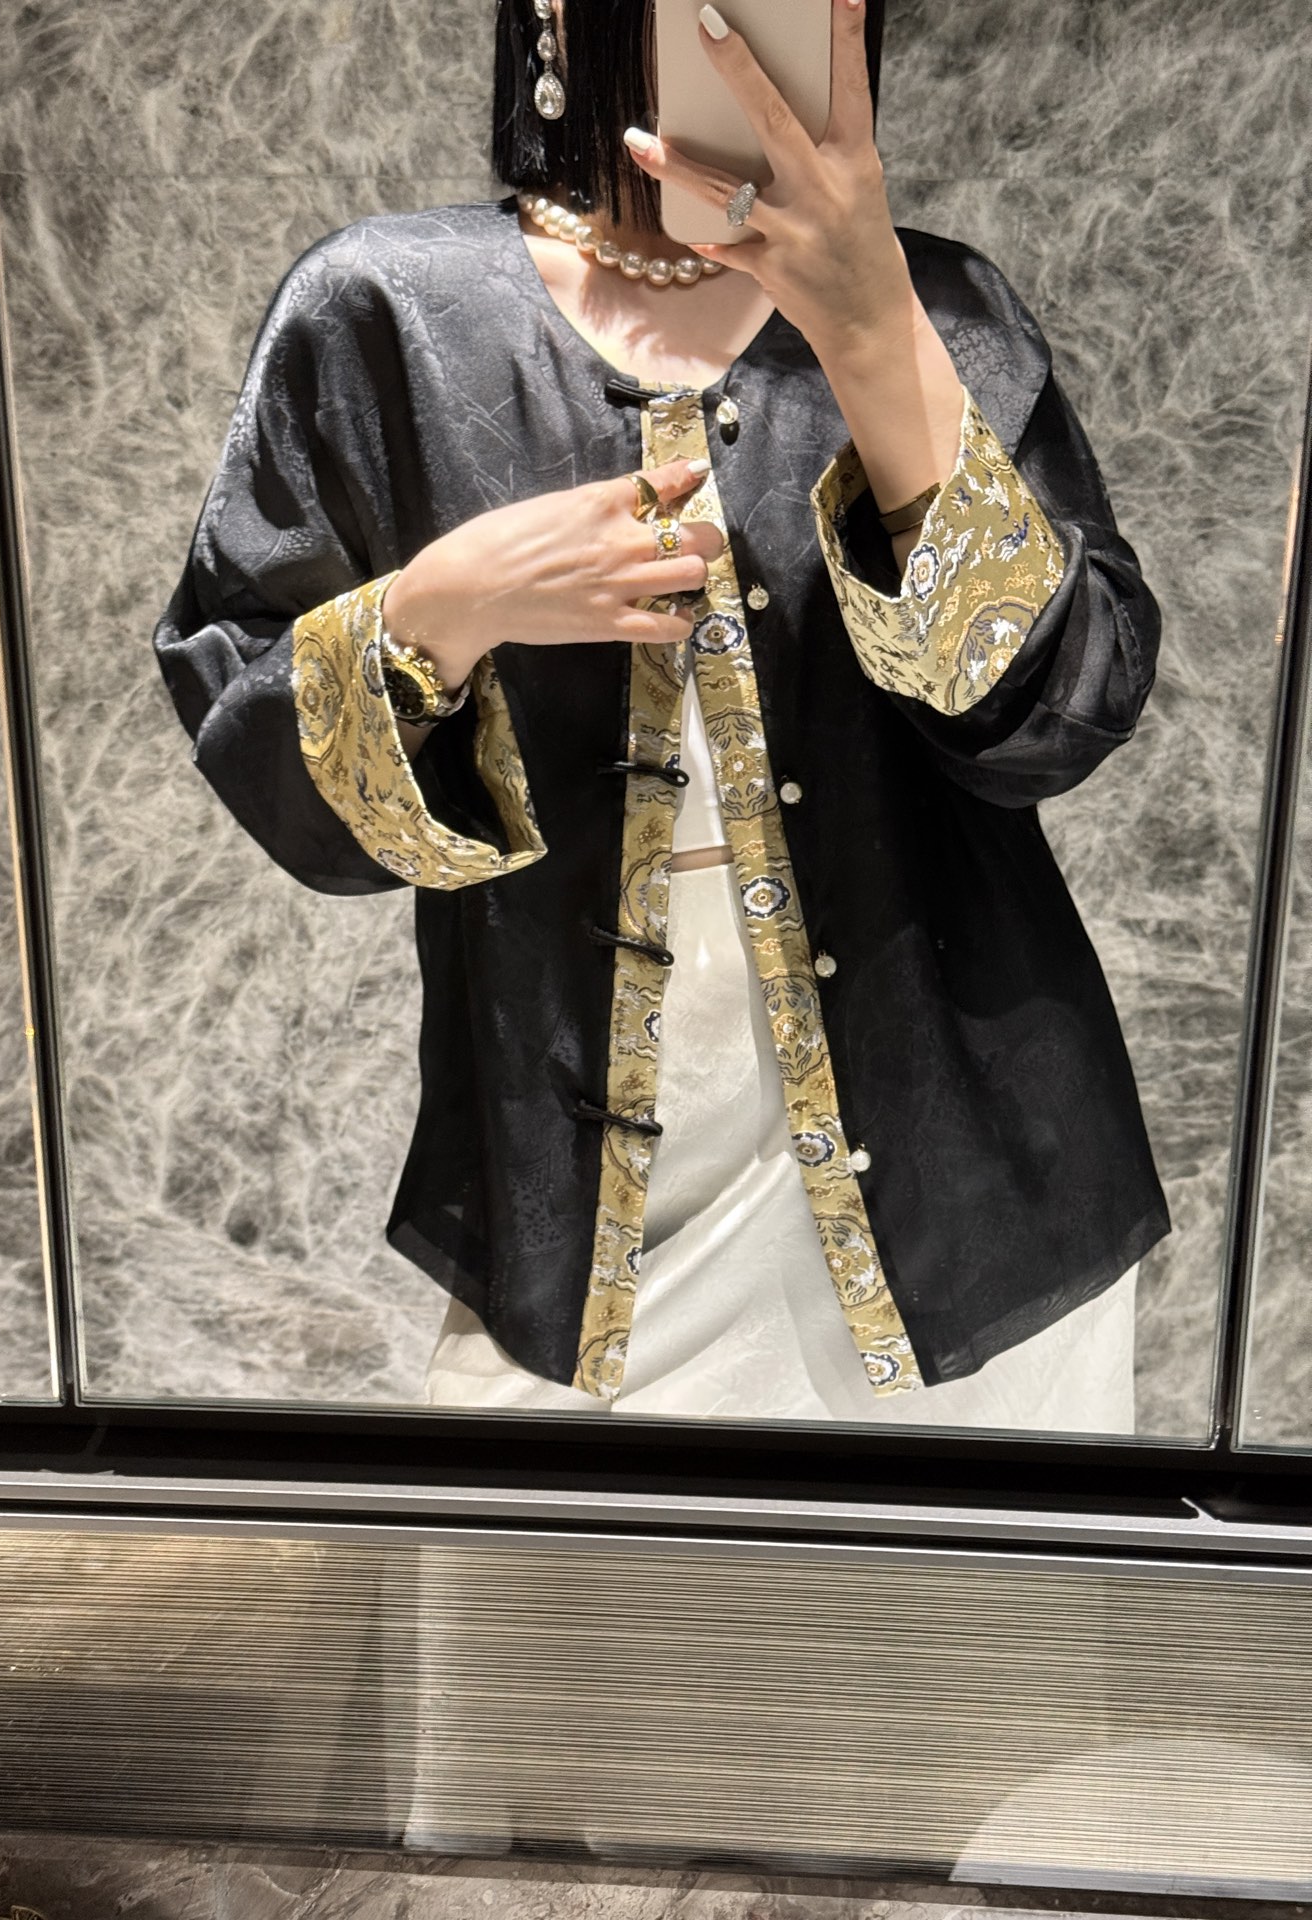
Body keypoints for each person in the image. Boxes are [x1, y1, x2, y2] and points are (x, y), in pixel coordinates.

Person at [152, 0, 1171, 1431]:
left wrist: (873, 332)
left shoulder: (944, 311)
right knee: (555, 1578)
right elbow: (269, 757)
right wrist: (448, 604)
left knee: (968, 1587)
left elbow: (1061, 718)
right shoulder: (385, 312)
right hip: (565, 1190)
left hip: (973, 1191)